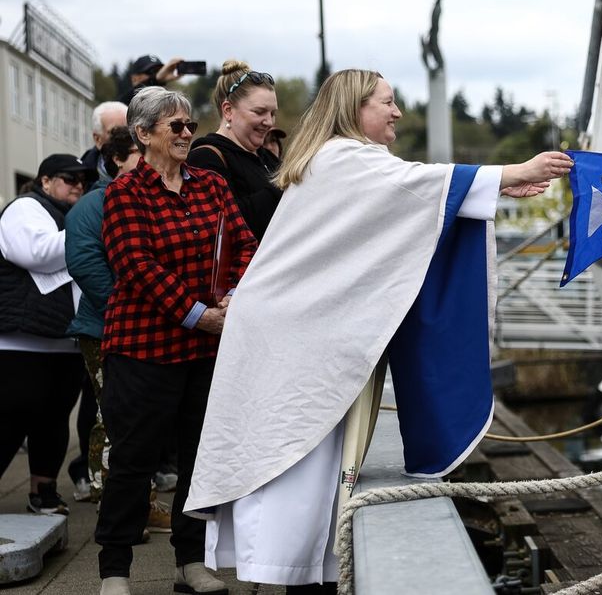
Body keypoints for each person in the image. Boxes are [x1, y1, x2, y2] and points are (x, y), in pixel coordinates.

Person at [184, 69, 571, 594]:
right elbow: (421, 186)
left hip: (295, 332)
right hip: (293, 338)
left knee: (299, 453)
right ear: (354, 109)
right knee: (292, 455)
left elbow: (417, 196)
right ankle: (289, 569)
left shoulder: (341, 160)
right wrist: (512, 170)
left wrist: (498, 186)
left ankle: (301, 567)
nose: (397, 113)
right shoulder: (344, 159)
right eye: (387, 103)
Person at [95, 87, 256, 595]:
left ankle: (192, 562)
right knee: (133, 461)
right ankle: (114, 571)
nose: (188, 134)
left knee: (199, 458)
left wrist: (233, 295)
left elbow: (246, 246)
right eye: (176, 127)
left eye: (190, 125)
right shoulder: (125, 193)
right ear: (143, 135)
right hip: (142, 349)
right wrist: (199, 316)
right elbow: (136, 266)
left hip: (205, 352)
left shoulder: (211, 185)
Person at [66, 126, 173, 536]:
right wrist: (135, 309)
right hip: (104, 328)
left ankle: (139, 504)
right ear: (116, 160)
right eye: (138, 153)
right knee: (112, 416)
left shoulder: (152, 196)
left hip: (146, 326)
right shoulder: (93, 206)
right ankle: (114, 508)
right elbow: (87, 266)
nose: (148, 160)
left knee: (141, 418)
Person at [0, 154, 88, 516]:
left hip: (64, 340)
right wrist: (87, 232)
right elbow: (36, 252)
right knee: (9, 420)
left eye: (82, 180)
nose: (78, 186)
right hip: (21, 340)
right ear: (46, 181)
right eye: (70, 178)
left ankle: (44, 493)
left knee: (53, 420)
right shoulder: (26, 208)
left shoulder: (71, 217)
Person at [188, 60, 284, 242]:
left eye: (272, 113)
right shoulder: (205, 158)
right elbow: (228, 225)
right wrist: (283, 184)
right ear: (228, 110)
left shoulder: (266, 156)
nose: (269, 122)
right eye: (259, 112)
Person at [80, 101, 129, 180]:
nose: (124, 137)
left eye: (128, 130)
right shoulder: (82, 177)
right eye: (115, 132)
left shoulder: (148, 167)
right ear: (97, 139)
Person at [118, 55, 184, 105]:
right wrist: (155, 79)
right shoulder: (125, 102)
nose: (159, 75)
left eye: (160, 71)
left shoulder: (168, 103)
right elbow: (137, 94)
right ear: (134, 78)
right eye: (152, 72)